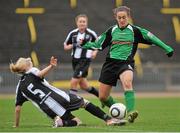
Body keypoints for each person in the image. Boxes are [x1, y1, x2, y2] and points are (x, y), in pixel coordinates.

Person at [81, 6, 174, 123]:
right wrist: (85, 44)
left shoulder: (135, 31)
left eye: (124, 17)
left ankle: (131, 112)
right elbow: (98, 45)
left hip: (126, 63)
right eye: (119, 18)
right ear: (116, 17)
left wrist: (166, 47)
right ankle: (118, 109)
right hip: (110, 64)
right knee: (103, 97)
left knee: (127, 83)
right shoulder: (111, 31)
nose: (122, 20)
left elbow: (152, 37)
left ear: (128, 17)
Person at [10, 56, 126, 128]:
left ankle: (61, 123)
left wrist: (16, 125)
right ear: (25, 68)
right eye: (27, 61)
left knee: (77, 122)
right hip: (61, 98)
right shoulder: (32, 71)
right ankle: (108, 119)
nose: (29, 61)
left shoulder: (20, 88)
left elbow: (17, 108)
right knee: (84, 103)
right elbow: (40, 74)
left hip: (50, 110)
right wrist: (51, 66)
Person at [64, 14, 99, 97]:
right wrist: (73, 45)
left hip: (85, 60)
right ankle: (101, 96)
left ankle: (72, 102)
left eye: (84, 22)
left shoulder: (91, 33)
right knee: (84, 86)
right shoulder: (73, 33)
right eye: (80, 21)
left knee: (74, 81)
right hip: (75, 60)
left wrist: (95, 52)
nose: (82, 23)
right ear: (77, 23)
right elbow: (66, 46)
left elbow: (98, 44)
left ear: (86, 23)